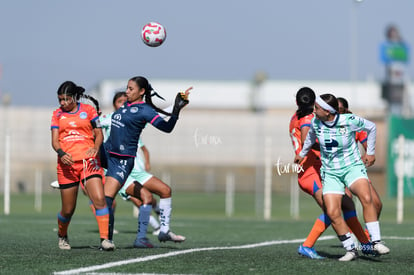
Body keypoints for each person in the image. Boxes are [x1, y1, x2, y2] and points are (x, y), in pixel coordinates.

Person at [294, 93, 390, 261]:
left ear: (328, 111)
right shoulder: (316, 123)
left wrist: (371, 152)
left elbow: (372, 127)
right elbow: (309, 138)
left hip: (352, 168)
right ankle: (350, 250)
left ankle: (375, 241)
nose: (314, 111)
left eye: (317, 108)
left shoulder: (349, 120)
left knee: (366, 198)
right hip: (331, 173)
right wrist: (302, 154)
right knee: (332, 212)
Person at [101, 76, 192, 247]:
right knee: (122, 198)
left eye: (130, 89)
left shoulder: (143, 110)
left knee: (159, 192)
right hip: (110, 161)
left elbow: (166, 127)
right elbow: (96, 126)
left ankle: (156, 232)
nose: (126, 93)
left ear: (142, 92)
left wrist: (177, 109)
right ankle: (111, 239)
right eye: (126, 89)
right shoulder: (119, 110)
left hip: (124, 164)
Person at [50, 80, 114, 251]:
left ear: (74, 97)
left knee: (100, 200)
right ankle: (62, 235)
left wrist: (95, 148)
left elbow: (98, 134)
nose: (63, 103)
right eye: (60, 100)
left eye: (66, 99)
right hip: (67, 166)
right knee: (68, 210)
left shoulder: (89, 110)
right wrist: (62, 154)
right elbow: (55, 142)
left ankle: (105, 240)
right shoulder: (57, 114)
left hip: (89, 163)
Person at [100, 91, 161, 247]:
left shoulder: (130, 124)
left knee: (148, 198)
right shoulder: (110, 119)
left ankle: (148, 233)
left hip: (131, 170)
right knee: (131, 200)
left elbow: (144, 146)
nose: (123, 103)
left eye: (124, 101)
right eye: (119, 101)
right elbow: (95, 125)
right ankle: (108, 238)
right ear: (114, 105)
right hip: (116, 170)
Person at [337, 97, 383, 220]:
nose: (336, 113)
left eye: (339, 110)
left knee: (377, 204)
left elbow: (369, 150)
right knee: (347, 204)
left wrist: (366, 157)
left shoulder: (353, 125)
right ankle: (351, 237)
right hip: (335, 171)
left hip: (353, 170)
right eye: (334, 110)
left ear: (346, 110)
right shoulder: (326, 126)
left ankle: (368, 237)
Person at [379, 24, 410, 115]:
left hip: (400, 82)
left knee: (401, 103)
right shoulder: (386, 47)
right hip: (391, 83)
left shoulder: (402, 46)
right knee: (392, 105)